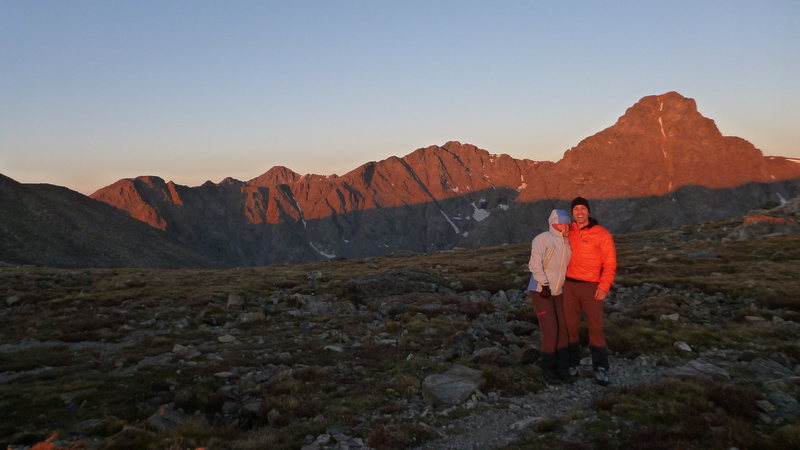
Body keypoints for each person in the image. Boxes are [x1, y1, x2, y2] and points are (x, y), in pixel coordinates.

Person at [563, 196, 617, 386]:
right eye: (575, 209)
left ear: (588, 211)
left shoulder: (602, 234)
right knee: (570, 327)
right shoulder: (568, 231)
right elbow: (553, 228)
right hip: (569, 286)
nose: (579, 212)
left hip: (591, 287)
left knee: (596, 328)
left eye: (582, 209)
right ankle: (572, 364)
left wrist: (603, 287)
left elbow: (609, 264)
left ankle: (601, 368)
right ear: (572, 213)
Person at [527, 209, 573, 384]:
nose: (565, 225)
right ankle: (547, 367)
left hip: (558, 291)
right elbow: (534, 264)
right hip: (541, 290)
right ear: (553, 222)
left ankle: (562, 366)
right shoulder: (542, 239)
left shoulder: (567, 242)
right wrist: (543, 284)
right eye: (562, 222)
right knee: (551, 329)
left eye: (567, 223)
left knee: (563, 328)